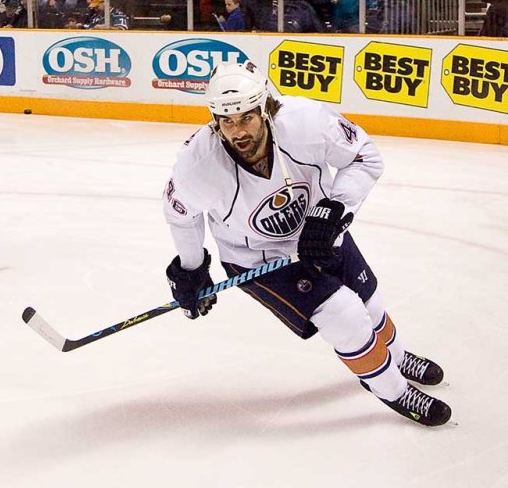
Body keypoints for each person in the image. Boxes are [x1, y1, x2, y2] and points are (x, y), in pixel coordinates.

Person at [162, 61, 452, 427]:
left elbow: (365, 157)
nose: (238, 132)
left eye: (247, 118)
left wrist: (334, 208)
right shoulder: (198, 165)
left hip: (319, 230)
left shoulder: (305, 121)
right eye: (227, 121)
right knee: (345, 314)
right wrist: (191, 268)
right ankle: (393, 390)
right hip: (256, 257)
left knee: (370, 303)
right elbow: (179, 213)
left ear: (265, 108)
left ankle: (394, 354)